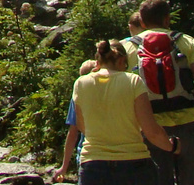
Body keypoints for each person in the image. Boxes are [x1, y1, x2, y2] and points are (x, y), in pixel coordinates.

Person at [123, 0, 194, 185]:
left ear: (142, 21)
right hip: (190, 125)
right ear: (168, 19)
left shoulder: (127, 48)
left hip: (150, 127)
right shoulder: (186, 42)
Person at [70, 39, 176, 185]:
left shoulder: (81, 83)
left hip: (93, 165)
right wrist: (172, 146)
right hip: (133, 164)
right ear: (121, 61)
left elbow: (82, 126)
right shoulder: (133, 81)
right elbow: (151, 131)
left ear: (98, 60)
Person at [53, 59, 96, 183]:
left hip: (86, 154)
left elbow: (73, 132)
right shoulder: (110, 92)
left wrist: (64, 167)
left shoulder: (78, 97)